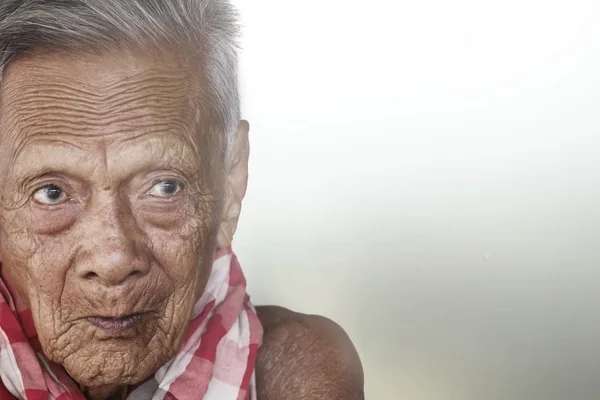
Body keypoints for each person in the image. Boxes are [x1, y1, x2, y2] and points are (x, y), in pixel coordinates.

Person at [0, 1, 364, 399]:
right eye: (51, 193)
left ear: (231, 181)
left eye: (164, 187)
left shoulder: (292, 373)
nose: (114, 261)